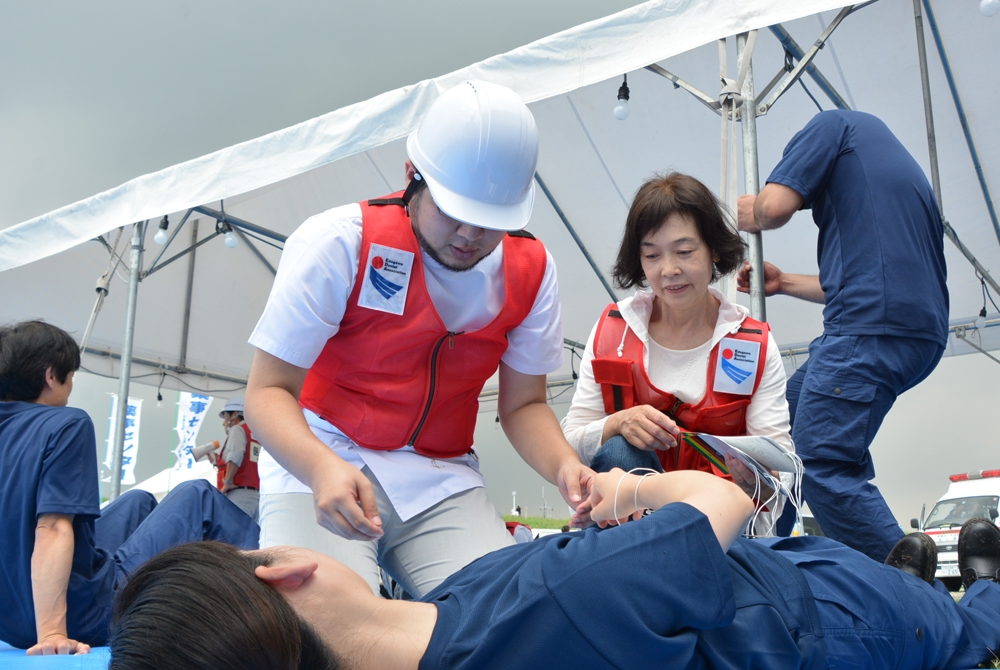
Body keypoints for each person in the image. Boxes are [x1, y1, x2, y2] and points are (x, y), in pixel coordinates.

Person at [244, 80, 594, 597]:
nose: (470, 236)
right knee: (330, 625)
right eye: (454, 212)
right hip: (319, 453)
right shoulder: (340, 242)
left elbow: (524, 405)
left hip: (440, 472)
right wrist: (319, 467)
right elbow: (267, 392)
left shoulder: (534, 271)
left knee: (504, 618)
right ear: (412, 177)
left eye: (490, 222)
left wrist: (566, 466)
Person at [107, 470, 1000, 670]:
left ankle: (917, 574)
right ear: (284, 575)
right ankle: (969, 584)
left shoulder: (448, 618)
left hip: (779, 600)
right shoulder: (558, 595)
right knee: (970, 627)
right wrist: (624, 490)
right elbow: (724, 498)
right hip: (825, 615)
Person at [737, 110, 949, 561]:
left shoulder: (829, 127)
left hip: (868, 329)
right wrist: (782, 282)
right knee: (781, 439)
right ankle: (764, 562)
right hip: (910, 331)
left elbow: (773, 208)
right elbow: (862, 283)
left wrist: (752, 210)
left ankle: (913, 596)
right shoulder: (881, 165)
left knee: (819, 459)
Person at [0, 320, 260, 655]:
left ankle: (173, 582)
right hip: (80, 616)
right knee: (198, 496)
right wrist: (51, 634)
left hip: (10, 623)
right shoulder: (64, 423)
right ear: (51, 376)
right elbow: (51, 527)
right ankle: (288, 577)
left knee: (138, 500)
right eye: (70, 375)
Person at [562, 172, 793, 523]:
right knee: (619, 451)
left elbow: (782, 467)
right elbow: (570, 444)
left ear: (715, 250)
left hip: (719, 523)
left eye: (684, 251)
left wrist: (759, 480)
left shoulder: (753, 344)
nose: (669, 270)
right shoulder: (614, 332)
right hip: (631, 523)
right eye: (652, 255)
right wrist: (618, 423)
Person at [214, 399, 260, 522]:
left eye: (225, 417)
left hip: (238, 493)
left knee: (231, 537)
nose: (224, 423)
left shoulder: (238, 430)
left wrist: (227, 482)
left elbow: (235, 456)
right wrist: (217, 462)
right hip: (256, 496)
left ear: (234, 414)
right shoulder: (257, 433)